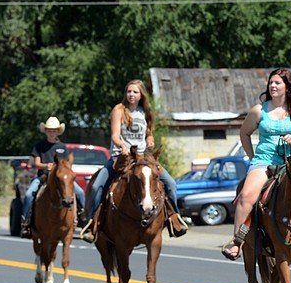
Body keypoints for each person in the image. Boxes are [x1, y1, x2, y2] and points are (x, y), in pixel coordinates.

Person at [220, 68, 291, 263]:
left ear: (287, 86)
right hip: (264, 162)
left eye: (277, 83)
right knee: (246, 197)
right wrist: (252, 157)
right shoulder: (259, 110)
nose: (273, 86)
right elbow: (244, 133)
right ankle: (237, 241)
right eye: (271, 83)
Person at [81, 79, 187, 242]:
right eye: (129, 91)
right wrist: (122, 146)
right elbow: (115, 135)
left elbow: (149, 132)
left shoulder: (145, 111)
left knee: (171, 183)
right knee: (97, 186)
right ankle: (92, 223)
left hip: (143, 158)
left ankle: (174, 219)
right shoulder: (119, 110)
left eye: (135, 92)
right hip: (121, 158)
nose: (131, 95)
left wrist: (150, 139)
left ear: (141, 95)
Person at [21, 116, 85, 237]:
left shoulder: (62, 147)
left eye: (54, 130)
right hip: (43, 177)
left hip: (60, 179)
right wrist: (46, 166)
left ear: (58, 132)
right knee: (30, 193)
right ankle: (26, 221)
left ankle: (83, 218)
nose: (52, 133)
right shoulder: (39, 146)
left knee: (80, 192)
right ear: (45, 131)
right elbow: (37, 163)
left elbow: (66, 164)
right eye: (49, 130)